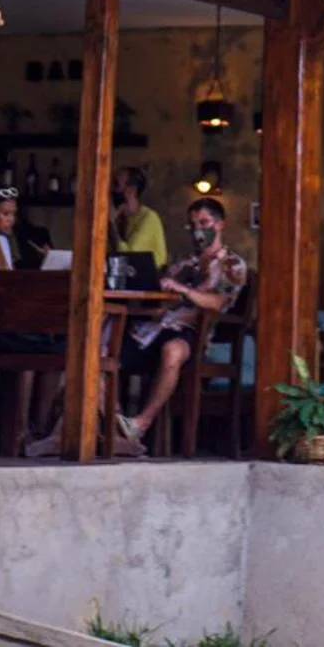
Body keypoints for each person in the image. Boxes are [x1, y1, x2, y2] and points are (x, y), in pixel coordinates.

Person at [118, 197, 245, 447]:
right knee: (104, 349)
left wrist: (182, 291)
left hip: (192, 334)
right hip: (154, 329)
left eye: (204, 222)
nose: (198, 229)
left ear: (220, 224)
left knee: (172, 350)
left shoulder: (232, 264)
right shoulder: (184, 261)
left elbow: (218, 302)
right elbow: (162, 293)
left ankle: (140, 424)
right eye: (193, 224)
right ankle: (112, 422)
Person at [111, 165, 168, 267]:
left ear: (131, 190)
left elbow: (129, 255)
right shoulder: (124, 219)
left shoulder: (148, 218)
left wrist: (111, 224)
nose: (111, 190)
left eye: (116, 185)